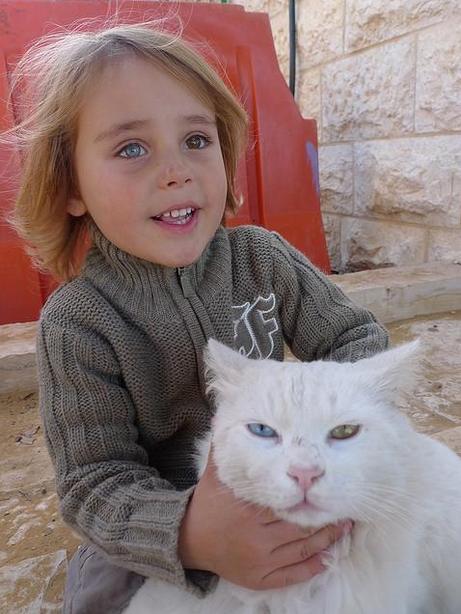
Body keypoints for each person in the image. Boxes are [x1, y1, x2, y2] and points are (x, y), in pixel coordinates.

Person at [6, 22, 389, 613]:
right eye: (131, 148)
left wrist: (325, 430)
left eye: (195, 139)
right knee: (99, 595)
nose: (176, 171)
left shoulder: (262, 259)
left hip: (287, 477)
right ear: (71, 186)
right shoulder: (77, 323)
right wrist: (192, 533)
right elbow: (95, 485)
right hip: (163, 526)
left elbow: (356, 339)